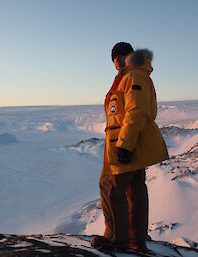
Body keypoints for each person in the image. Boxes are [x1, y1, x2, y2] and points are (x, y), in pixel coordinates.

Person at [91, 42, 169, 252]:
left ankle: (117, 238)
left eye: (121, 55)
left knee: (111, 187)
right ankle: (136, 238)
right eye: (114, 57)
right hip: (130, 143)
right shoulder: (128, 76)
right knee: (135, 191)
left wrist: (125, 145)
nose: (117, 60)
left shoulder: (133, 76)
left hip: (128, 144)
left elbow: (137, 111)